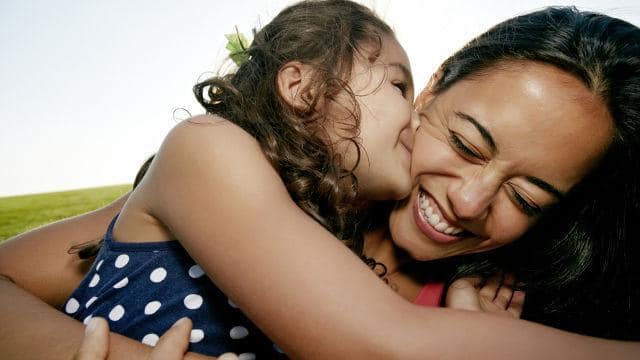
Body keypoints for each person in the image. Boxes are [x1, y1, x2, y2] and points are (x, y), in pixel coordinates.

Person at [1, 3, 640, 359]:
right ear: (434, 88)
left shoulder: (502, 310)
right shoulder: (241, 177)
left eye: (526, 197)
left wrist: (478, 325)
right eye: (466, 142)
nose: (469, 201)